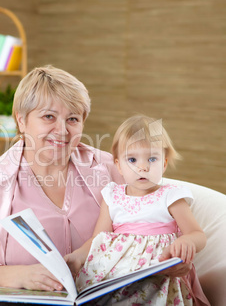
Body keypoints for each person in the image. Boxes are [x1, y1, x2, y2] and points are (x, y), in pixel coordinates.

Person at [0, 66, 191, 306]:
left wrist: (174, 260)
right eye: (48, 117)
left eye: (72, 119)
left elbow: (160, 223)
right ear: (22, 121)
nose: (62, 130)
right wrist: (18, 275)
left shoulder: (111, 169)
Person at [65, 115, 209, 305]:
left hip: (157, 275)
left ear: (164, 163)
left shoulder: (171, 197)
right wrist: (78, 257)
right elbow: (97, 238)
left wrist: (187, 241)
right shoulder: (113, 195)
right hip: (117, 277)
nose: (143, 167)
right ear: (119, 166)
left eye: (152, 158)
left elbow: (197, 234)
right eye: (132, 159)